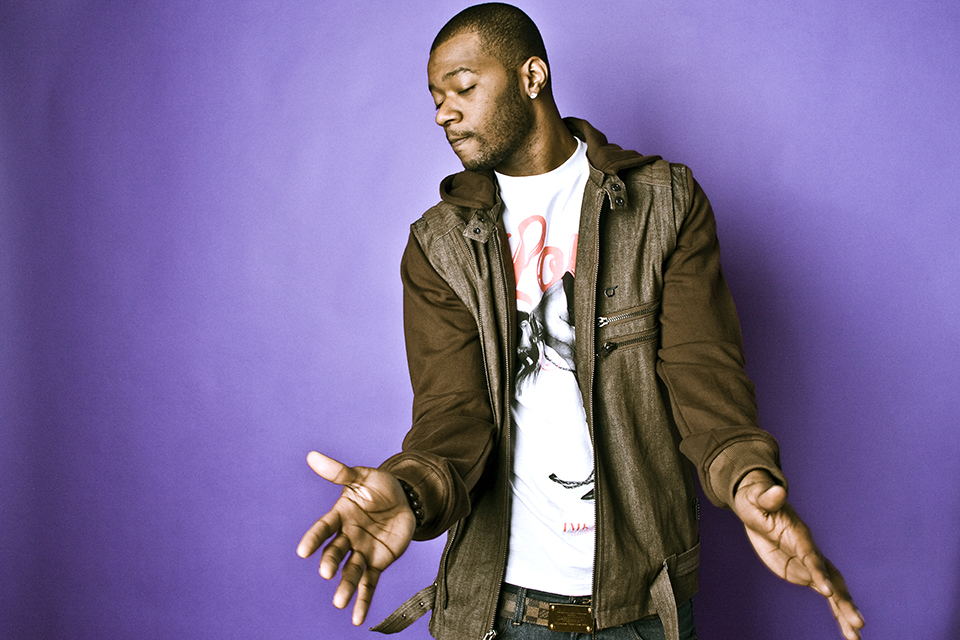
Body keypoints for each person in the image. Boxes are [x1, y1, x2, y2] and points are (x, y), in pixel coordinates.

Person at [297, 4, 865, 640]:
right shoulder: (439, 246)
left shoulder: (664, 204)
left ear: (531, 76)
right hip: (499, 610)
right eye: (436, 99)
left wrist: (748, 481)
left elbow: (705, 380)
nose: (443, 114)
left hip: (644, 609)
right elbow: (452, 417)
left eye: (463, 88)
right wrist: (409, 491)